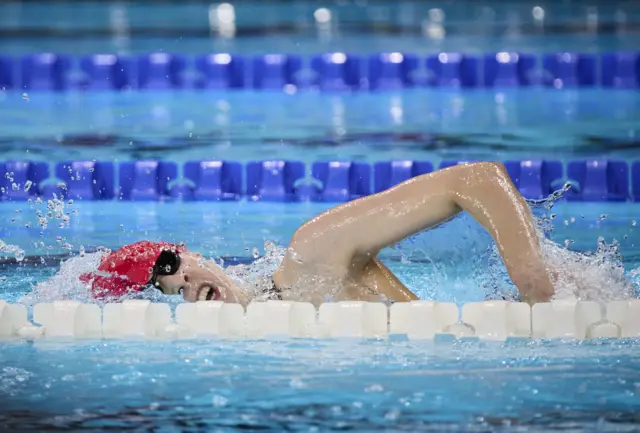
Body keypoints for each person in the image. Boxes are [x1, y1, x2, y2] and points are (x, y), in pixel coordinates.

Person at [80, 162, 556, 306]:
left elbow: (475, 180)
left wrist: (535, 284)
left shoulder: (309, 257)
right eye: (166, 291)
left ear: (195, 254)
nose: (182, 284)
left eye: (172, 266)